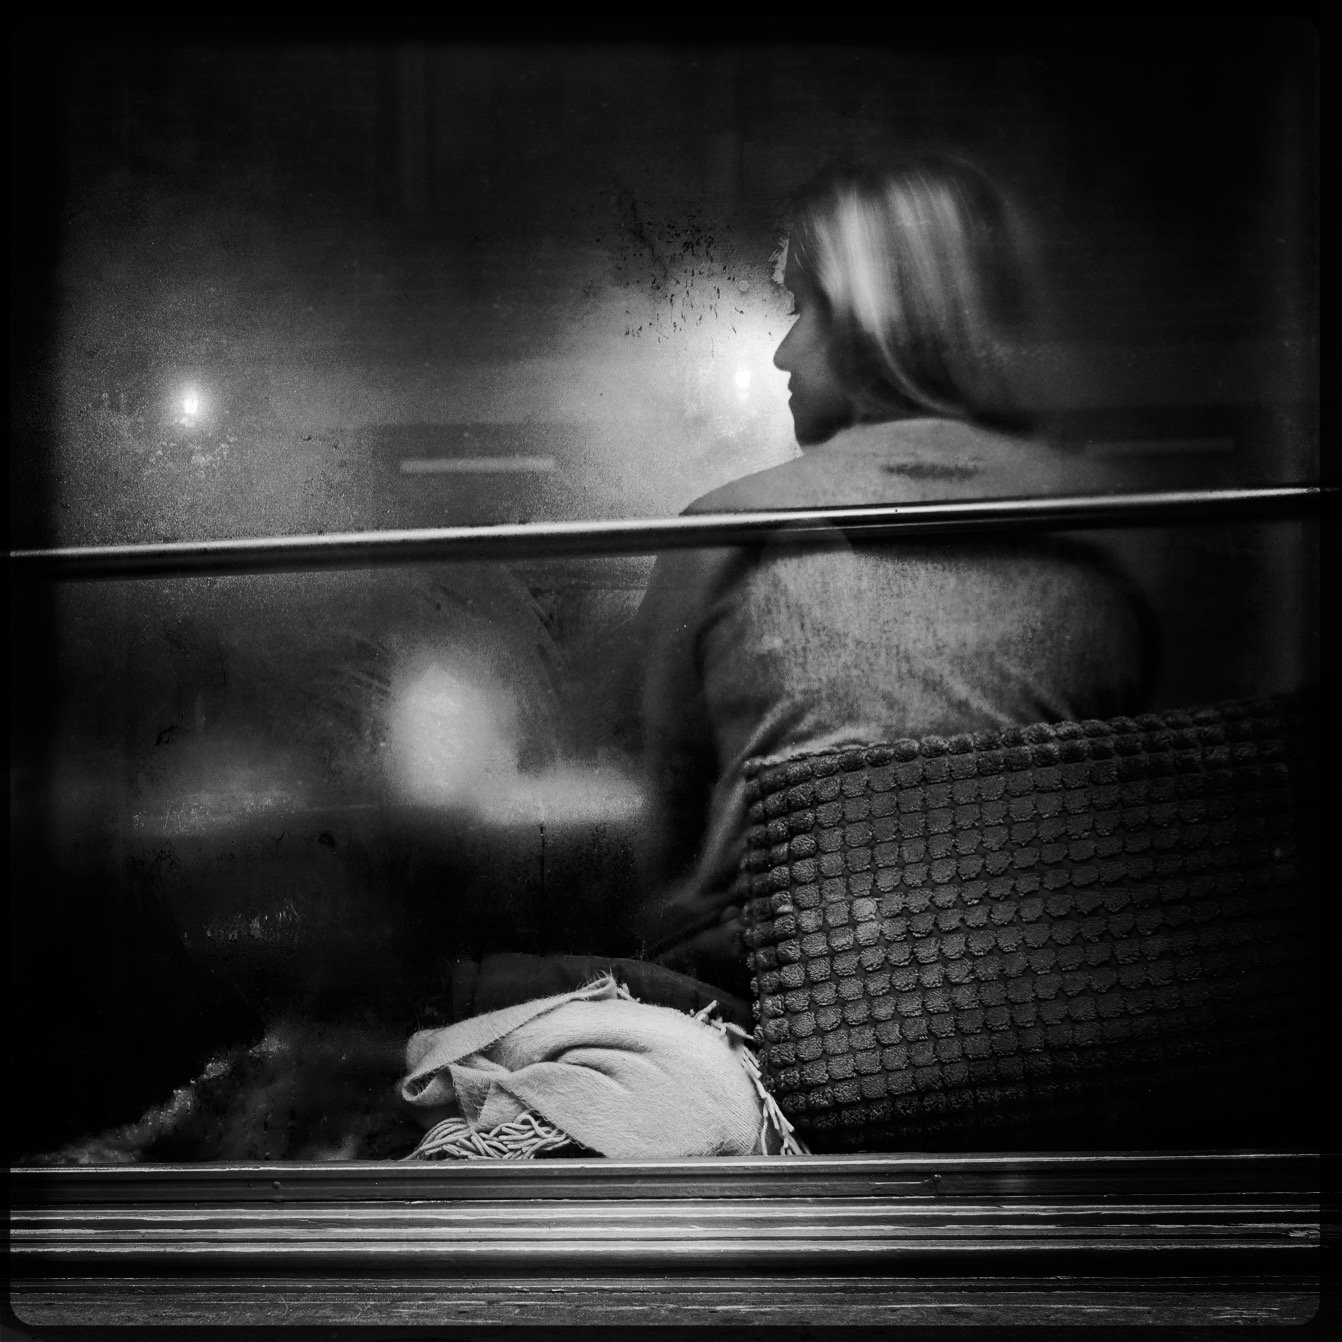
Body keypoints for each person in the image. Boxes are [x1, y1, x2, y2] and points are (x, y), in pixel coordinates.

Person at [623, 155, 1158, 1000]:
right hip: (1058, 1008)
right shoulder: (1132, 524)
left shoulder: (732, 528)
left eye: (804, 310)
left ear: (876, 321)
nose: (780, 352)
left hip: (785, 1010)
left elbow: (656, 840)